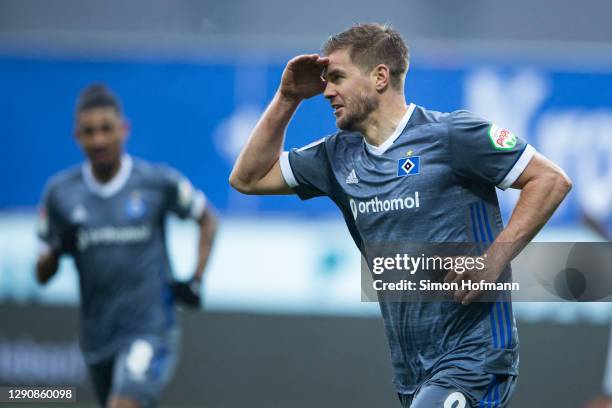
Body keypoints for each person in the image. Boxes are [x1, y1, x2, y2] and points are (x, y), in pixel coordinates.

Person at [229, 23, 571, 407]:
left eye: (338, 77)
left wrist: (494, 260)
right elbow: (248, 177)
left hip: (475, 358)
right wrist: (287, 97)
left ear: (379, 77)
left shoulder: (452, 134)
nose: (327, 91)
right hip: (412, 371)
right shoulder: (337, 156)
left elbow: (550, 180)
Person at [36, 84, 218, 408]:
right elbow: (41, 273)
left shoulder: (156, 183)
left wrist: (196, 277)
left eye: (107, 129)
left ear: (124, 129)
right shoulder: (60, 194)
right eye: (89, 132)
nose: (99, 140)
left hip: (150, 329)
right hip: (97, 338)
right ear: (77, 136)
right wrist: (59, 249)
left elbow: (207, 218)